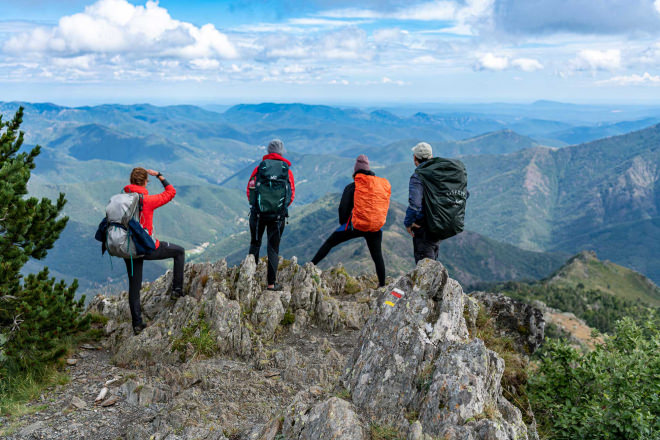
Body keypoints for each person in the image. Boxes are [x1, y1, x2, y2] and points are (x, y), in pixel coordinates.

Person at [123, 167, 185, 335]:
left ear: (131, 181)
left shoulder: (122, 199)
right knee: (179, 252)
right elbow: (171, 192)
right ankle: (177, 290)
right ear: (145, 182)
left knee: (134, 287)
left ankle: (137, 324)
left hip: (127, 248)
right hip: (146, 247)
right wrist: (159, 176)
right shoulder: (147, 200)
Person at [311, 155, 387, 287]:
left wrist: (344, 224)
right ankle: (382, 284)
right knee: (377, 256)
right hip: (374, 227)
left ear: (356, 171)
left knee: (329, 242)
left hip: (355, 225)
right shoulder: (378, 186)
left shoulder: (352, 187)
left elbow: (343, 208)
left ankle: (310, 266)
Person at [247, 139, 295, 291]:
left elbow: (250, 189)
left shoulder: (260, 168)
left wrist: (256, 207)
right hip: (277, 217)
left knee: (255, 244)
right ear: (282, 152)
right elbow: (291, 193)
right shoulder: (286, 170)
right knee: (273, 248)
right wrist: (280, 208)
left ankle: (249, 280)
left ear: (268, 151)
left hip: (258, 215)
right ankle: (271, 284)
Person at [404, 142, 440, 264]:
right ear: (431, 156)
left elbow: (415, 205)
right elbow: (464, 194)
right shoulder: (441, 173)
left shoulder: (418, 177)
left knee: (426, 269)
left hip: (424, 227)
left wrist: (408, 223)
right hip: (439, 224)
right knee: (433, 261)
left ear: (415, 158)